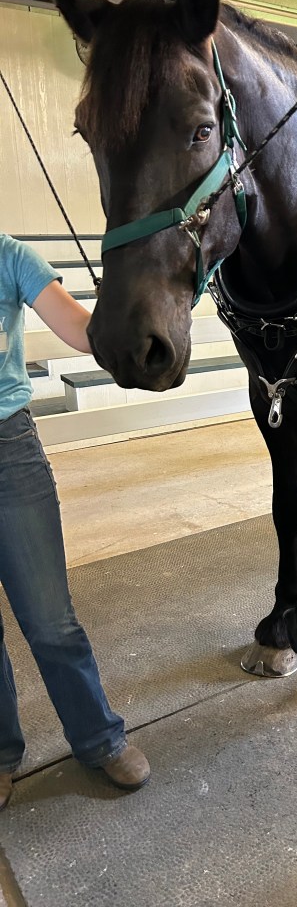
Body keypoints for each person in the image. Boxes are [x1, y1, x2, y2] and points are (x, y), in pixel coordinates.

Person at [0, 233, 150, 811]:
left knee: (50, 621)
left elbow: (83, 332)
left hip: (9, 450)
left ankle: (99, 739)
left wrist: (126, 306)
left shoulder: (11, 256)